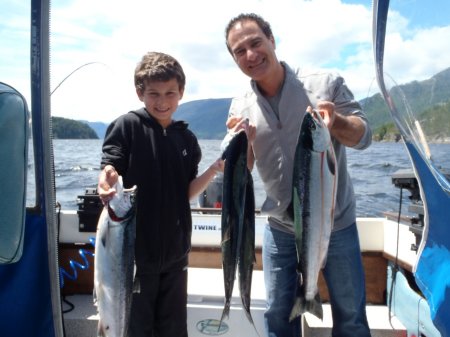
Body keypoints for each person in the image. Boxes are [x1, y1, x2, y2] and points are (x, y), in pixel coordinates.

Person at [222, 13, 373, 337]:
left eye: (255, 43)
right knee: (277, 316)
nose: (250, 55)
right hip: (278, 227)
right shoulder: (240, 107)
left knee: (351, 317)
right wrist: (241, 144)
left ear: (272, 40)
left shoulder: (325, 84)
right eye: (239, 51)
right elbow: (243, 169)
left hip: (336, 224)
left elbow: (364, 136)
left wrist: (338, 123)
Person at [97, 51, 223, 337]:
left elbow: (186, 193)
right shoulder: (127, 126)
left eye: (170, 93)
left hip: (176, 258)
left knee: (173, 330)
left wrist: (212, 171)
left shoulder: (187, 139)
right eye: (153, 93)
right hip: (133, 260)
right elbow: (110, 164)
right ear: (140, 92)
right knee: (135, 329)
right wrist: (106, 176)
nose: (162, 101)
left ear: (181, 93)